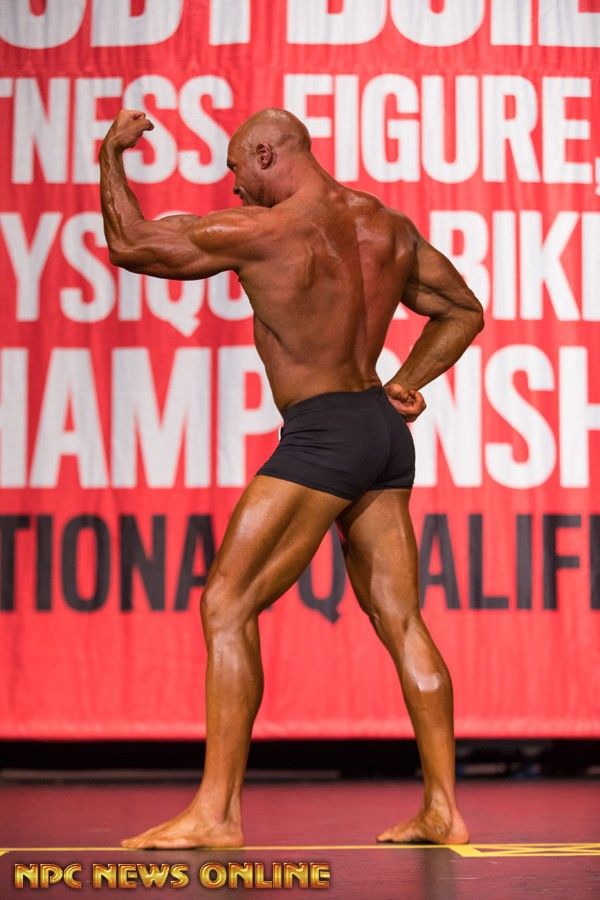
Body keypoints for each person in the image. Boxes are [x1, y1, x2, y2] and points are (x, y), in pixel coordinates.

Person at [99, 107, 484, 850]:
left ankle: (217, 813)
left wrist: (110, 155)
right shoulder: (387, 227)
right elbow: (463, 310)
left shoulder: (267, 232)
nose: (233, 187)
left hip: (324, 434)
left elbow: (131, 243)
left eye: (235, 169)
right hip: (381, 432)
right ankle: (443, 807)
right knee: (402, 620)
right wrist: (406, 380)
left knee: (226, 604)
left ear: (267, 154)